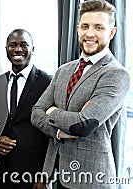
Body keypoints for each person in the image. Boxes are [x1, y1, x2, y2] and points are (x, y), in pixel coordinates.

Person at [31, 1, 130, 188]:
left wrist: (52, 112)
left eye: (98, 27)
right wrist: (59, 132)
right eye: (85, 26)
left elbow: (82, 125)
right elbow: (36, 113)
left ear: (111, 32)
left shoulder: (116, 74)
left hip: (91, 179)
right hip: (56, 174)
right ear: (77, 29)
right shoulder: (63, 70)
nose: (90, 33)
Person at [0, 29, 51, 189]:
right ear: (6, 49)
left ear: (33, 49)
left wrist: (46, 175)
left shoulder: (47, 82)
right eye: (13, 45)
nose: (18, 49)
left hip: (33, 172)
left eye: (24, 45)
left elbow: (51, 132)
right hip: (2, 168)